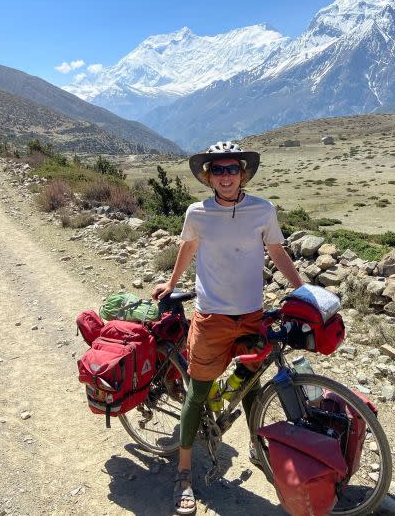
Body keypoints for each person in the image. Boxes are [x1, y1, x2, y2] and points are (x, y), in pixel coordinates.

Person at [152, 140, 303, 515]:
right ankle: (184, 473)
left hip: (251, 314)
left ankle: (256, 446)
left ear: (243, 172)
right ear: (208, 176)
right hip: (211, 317)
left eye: (231, 169)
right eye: (217, 170)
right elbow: (188, 247)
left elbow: (277, 251)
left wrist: (303, 289)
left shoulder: (262, 210)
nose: (225, 176)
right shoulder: (197, 213)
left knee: (251, 382)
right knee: (198, 392)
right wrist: (172, 284)